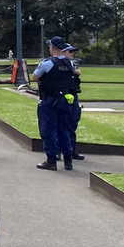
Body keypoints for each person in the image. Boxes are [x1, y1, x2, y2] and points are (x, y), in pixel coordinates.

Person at [32, 36, 75, 171]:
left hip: (49, 100)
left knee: (48, 130)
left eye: (49, 46)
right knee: (64, 130)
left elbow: (35, 77)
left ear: (53, 47)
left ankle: (51, 160)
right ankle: (68, 161)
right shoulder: (69, 63)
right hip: (65, 100)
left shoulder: (47, 63)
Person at [63, 45, 85, 162]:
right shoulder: (59, 64)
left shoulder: (72, 64)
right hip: (62, 96)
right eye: (70, 52)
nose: (72, 54)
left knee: (73, 123)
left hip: (73, 95)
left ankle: (71, 150)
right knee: (61, 124)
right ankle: (58, 151)